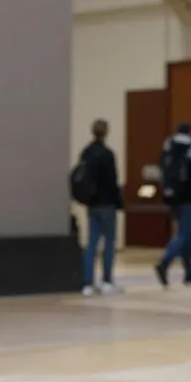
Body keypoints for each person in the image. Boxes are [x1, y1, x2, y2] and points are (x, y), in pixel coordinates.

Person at [154, 122, 191, 287]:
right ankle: (164, 263)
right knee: (184, 234)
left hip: (172, 198)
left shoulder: (169, 146)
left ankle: (189, 273)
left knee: (185, 234)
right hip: (189, 197)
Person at [80, 118, 123, 296]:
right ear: (106, 132)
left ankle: (88, 283)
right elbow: (112, 181)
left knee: (91, 243)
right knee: (109, 243)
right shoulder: (107, 154)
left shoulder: (86, 153)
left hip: (92, 204)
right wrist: (119, 202)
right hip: (107, 203)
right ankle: (106, 280)